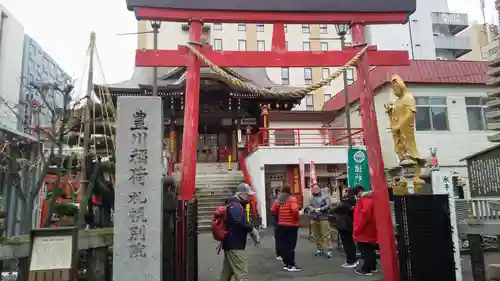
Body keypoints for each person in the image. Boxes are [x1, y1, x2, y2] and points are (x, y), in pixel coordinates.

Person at [219, 183, 261, 281]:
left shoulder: (231, 204)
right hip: (236, 244)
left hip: (230, 243)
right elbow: (239, 222)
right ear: (241, 194)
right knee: (241, 273)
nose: (249, 197)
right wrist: (252, 229)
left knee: (226, 273)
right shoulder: (236, 206)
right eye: (247, 194)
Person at [271, 184, 302, 272]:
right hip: (291, 225)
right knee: (291, 246)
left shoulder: (279, 199)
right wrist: (297, 218)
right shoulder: (292, 199)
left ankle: (286, 264)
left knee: (284, 245)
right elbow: (295, 210)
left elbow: (273, 210)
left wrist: (279, 217)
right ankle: (291, 265)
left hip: (281, 225)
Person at [352, 185, 378, 276]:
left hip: (364, 230)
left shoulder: (364, 200)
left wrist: (356, 231)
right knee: (370, 249)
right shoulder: (373, 198)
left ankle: (366, 269)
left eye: (356, 194)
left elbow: (362, 218)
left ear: (358, 192)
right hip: (372, 228)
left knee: (365, 250)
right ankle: (373, 266)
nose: (356, 196)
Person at [332, 186, 358, 268]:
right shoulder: (353, 201)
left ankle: (351, 261)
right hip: (348, 223)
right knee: (350, 242)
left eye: (345, 191)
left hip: (344, 224)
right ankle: (353, 260)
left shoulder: (346, 201)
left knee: (347, 243)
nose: (343, 192)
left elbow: (335, 209)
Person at [306, 185, 333, 258]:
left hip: (323, 217)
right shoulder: (310, 197)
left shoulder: (325, 196)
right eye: (314, 192)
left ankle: (328, 249)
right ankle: (319, 248)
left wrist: (320, 209)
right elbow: (308, 205)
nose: (315, 193)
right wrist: (314, 209)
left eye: (316, 192)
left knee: (325, 234)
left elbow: (328, 205)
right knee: (316, 234)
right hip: (313, 217)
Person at [269, 188, 282, 260]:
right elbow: (273, 211)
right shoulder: (275, 200)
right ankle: (279, 253)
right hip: (277, 221)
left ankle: (281, 253)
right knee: (278, 238)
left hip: (280, 221)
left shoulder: (276, 199)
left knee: (281, 238)